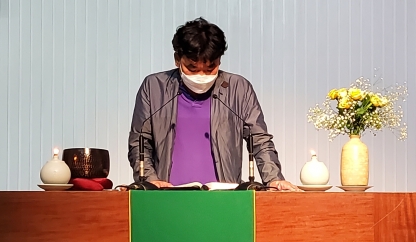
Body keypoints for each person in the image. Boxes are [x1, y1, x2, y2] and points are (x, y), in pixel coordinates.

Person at [128, 18, 298, 191]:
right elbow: (139, 142)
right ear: (177, 59)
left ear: (219, 61)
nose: (201, 75)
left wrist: (274, 179)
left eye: (210, 68)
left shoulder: (238, 88)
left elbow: (259, 141)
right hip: (166, 195)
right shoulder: (154, 87)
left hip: (224, 196)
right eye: (192, 68)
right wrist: (150, 181)